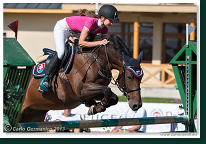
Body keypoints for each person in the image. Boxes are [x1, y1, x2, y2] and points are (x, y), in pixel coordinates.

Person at [39, 4, 120, 92]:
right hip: (63, 28)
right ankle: (47, 78)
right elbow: (81, 43)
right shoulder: (91, 22)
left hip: (76, 32)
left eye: (113, 21)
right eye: (111, 20)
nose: (112, 23)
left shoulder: (105, 28)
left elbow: (102, 45)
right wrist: (100, 42)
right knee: (61, 52)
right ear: (103, 17)